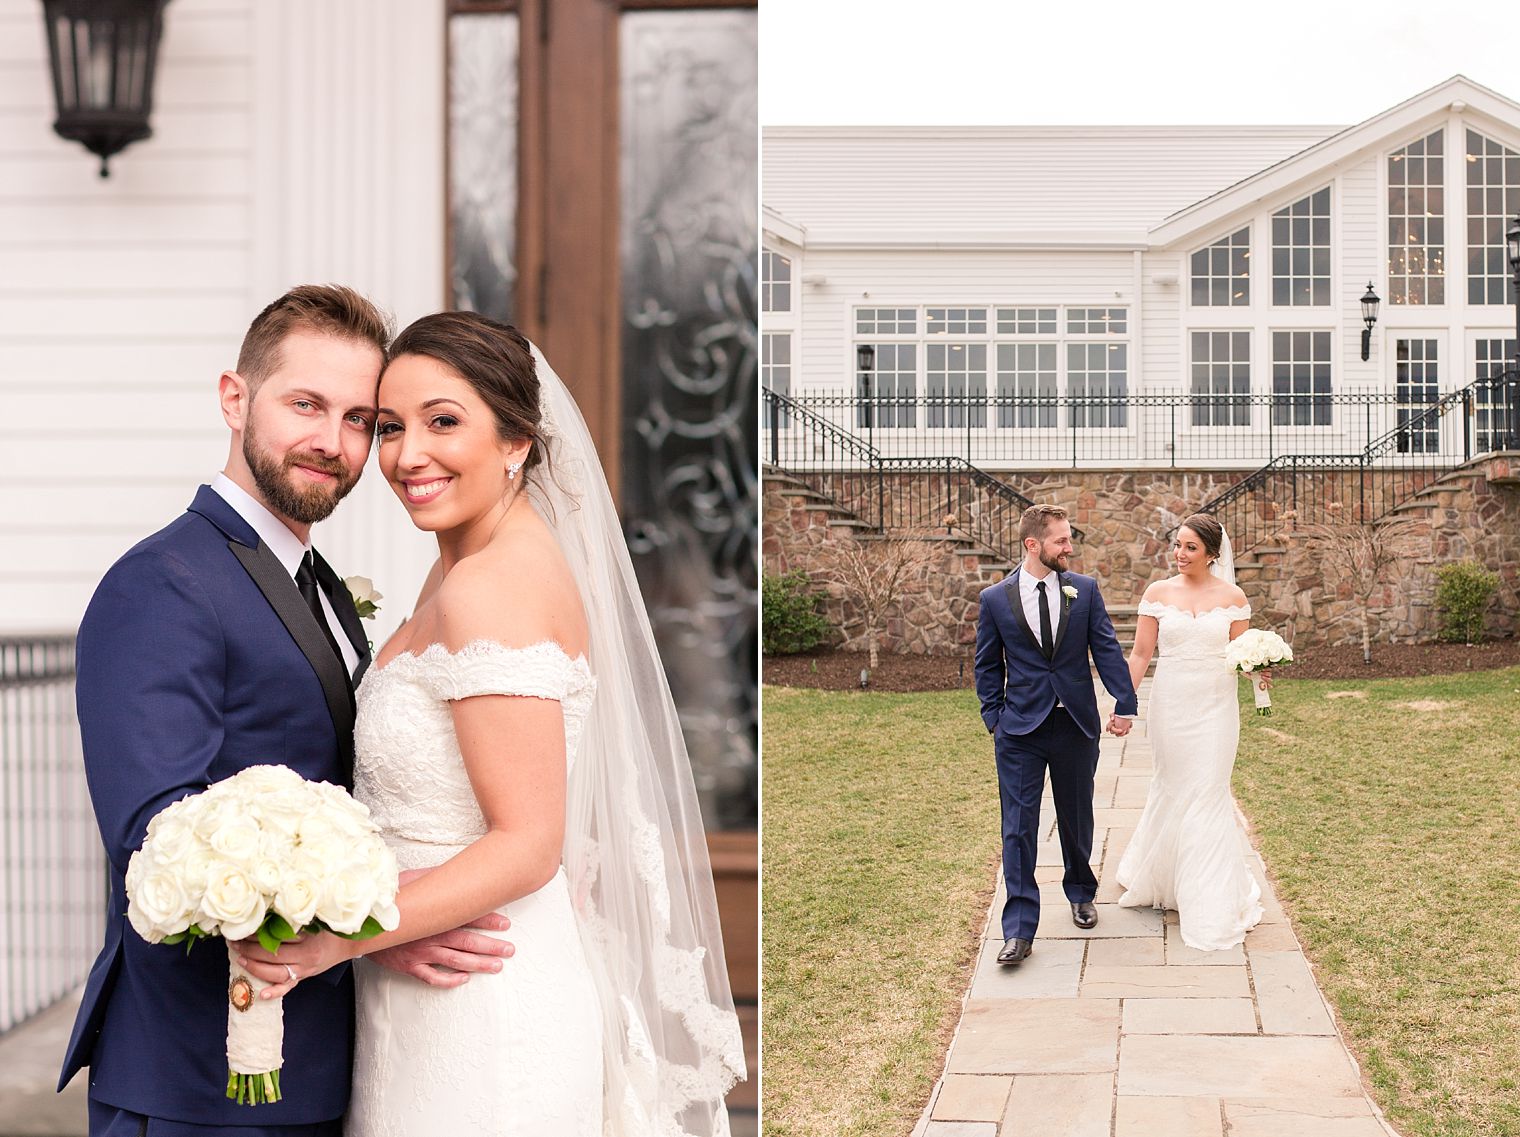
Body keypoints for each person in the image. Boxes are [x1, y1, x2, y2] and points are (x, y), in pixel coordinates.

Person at [234, 312, 745, 1136]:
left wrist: (338, 936)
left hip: (482, 1014)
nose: (407, 455)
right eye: (390, 426)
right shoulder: (468, 568)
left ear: (516, 441)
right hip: (435, 995)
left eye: (444, 421)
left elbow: (526, 842)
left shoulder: (490, 585)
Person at [59, 285, 514, 1137]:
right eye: (306, 404)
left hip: (317, 1062)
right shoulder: (163, 583)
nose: (330, 441)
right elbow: (158, 836)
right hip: (205, 1079)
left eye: (358, 419)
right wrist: (371, 926)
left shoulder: (323, 587)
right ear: (235, 398)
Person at [974, 504, 1139, 967]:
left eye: (1069, 539)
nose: (1070, 548)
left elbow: (1106, 647)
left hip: (1074, 724)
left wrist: (1125, 703)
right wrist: (995, 719)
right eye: (1061, 541)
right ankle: (1020, 930)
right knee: (1018, 828)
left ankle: (1081, 892)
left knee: (1077, 815)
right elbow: (986, 665)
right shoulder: (995, 599)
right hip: (1019, 731)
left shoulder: (1083, 590)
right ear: (1033, 545)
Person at [1117, 512, 1266, 951]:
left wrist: (1261, 672)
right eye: (1177, 545)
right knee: (1173, 786)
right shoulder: (1158, 593)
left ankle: (1209, 899)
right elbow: (1141, 655)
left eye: (1190, 547)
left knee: (1208, 792)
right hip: (1172, 704)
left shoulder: (1233, 596)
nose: (1180, 554)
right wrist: (1124, 706)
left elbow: (1244, 656)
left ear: (1212, 554)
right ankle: (1165, 877)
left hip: (1217, 709)